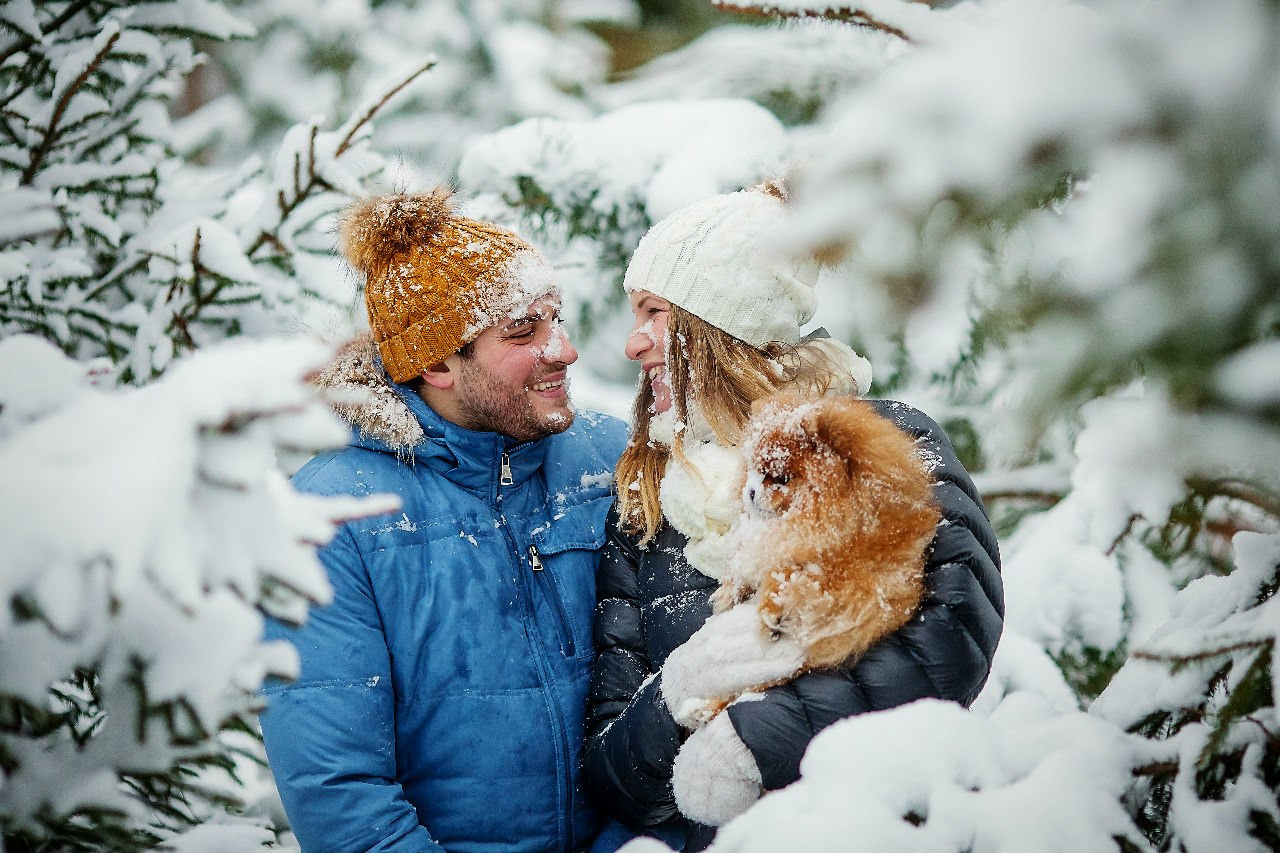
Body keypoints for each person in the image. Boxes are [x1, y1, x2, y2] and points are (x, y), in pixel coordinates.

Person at [582, 183, 1004, 851]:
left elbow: (952, 643)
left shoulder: (881, 441)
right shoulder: (649, 502)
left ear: (724, 323)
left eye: (655, 312)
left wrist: (753, 737)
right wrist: (679, 693)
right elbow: (610, 770)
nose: (634, 343)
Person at [259, 189, 627, 853]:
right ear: (434, 363)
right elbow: (340, 788)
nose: (563, 350)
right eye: (523, 330)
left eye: (555, 319)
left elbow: (676, 686)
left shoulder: (607, 459)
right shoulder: (335, 518)